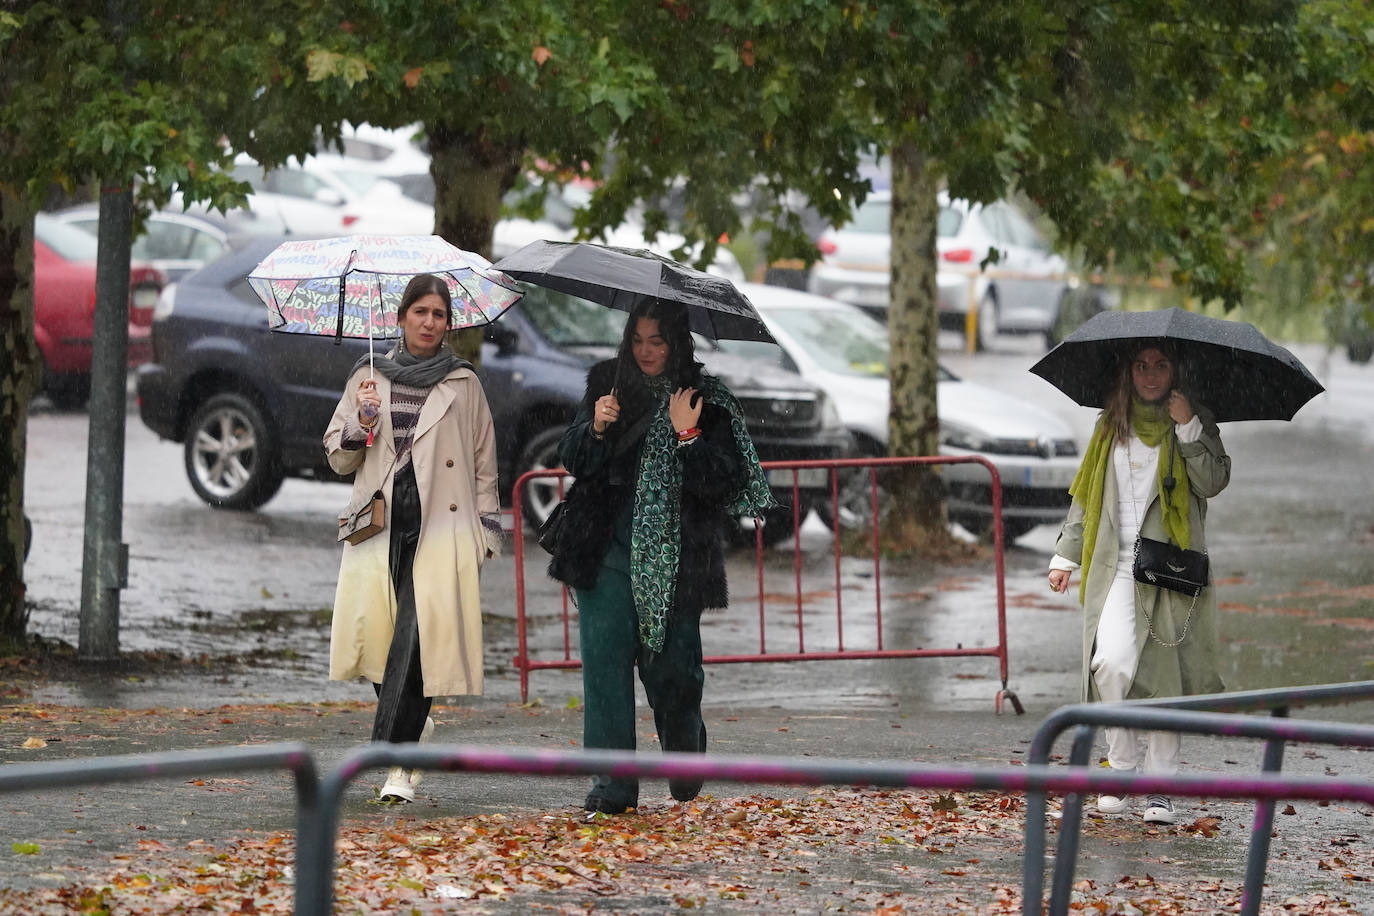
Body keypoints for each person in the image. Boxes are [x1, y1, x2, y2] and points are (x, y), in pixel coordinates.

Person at [547, 298, 774, 814]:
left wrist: (688, 433)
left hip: (678, 557)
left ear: (677, 343)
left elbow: (724, 482)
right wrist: (597, 427)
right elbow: (574, 459)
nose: (646, 351)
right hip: (604, 551)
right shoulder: (608, 383)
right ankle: (612, 784)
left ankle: (684, 750)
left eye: (658, 341)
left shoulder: (706, 398)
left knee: (675, 671)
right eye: (638, 340)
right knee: (604, 670)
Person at [324, 273, 503, 803]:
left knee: (418, 639)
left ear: (449, 324)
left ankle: (397, 761)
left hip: (441, 526)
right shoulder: (369, 374)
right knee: (381, 640)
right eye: (420, 312)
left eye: (439, 315)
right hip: (378, 524)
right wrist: (362, 421)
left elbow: (483, 463)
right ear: (401, 317)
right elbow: (337, 455)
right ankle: (412, 730)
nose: (429, 322)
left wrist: (486, 534)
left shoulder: (463, 382)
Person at [1048, 343, 1231, 825]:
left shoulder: (1193, 418)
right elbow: (1085, 494)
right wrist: (1066, 554)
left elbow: (1213, 480)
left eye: (1160, 365)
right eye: (1141, 366)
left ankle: (1161, 785)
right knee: (1108, 663)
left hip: (1169, 567)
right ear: (1128, 372)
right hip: (1114, 566)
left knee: (1166, 678)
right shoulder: (1111, 423)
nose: (1150, 375)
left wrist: (1188, 423)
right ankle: (1121, 767)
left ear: (1176, 371)